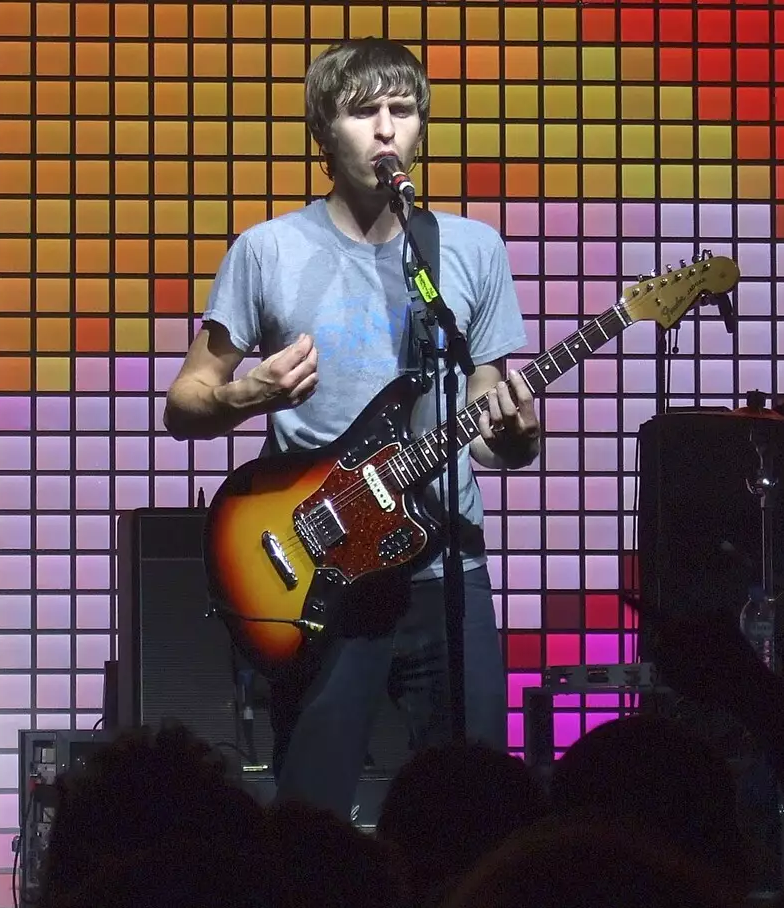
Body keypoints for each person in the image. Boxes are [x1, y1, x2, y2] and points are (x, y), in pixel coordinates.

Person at [163, 38, 541, 818]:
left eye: (402, 112)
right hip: (324, 569)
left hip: (446, 569)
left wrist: (513, 439)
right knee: (311, 810)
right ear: (321, 133)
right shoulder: (267, 251)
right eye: (363, 111)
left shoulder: (470, 251)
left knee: (475, 810)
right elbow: (185, 402)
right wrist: (250, 393)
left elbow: (486, 412)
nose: (385, 130)